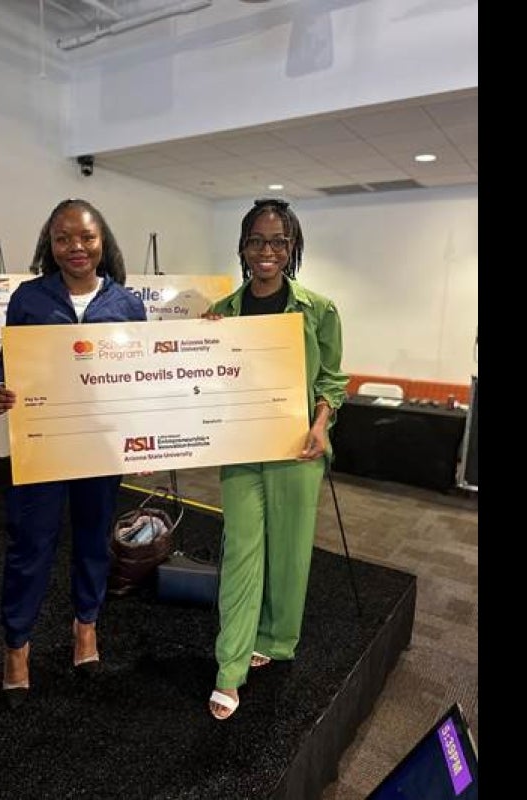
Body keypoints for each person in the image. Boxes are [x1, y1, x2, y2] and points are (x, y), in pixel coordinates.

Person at [0, 199, 147, 708]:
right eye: (63, 238)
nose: (75, 247)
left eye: (86, 238)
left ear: (103, 243)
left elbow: (140, 378)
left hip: (100, 446)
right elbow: (7, 365)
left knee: (94, 541)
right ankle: (16, 647)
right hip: (41, 445)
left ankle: (86, 628)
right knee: (30, 545)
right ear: (49, 245)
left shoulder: (126, 304)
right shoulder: (28, 299)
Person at [203, 198, 347, 720]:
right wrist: (200, 343)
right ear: (242, 247)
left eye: (279, 242)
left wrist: (319, 424)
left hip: (296, 451)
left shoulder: (319, 310)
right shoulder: (223, 312)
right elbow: (204, 382)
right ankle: (230, 668)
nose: (267, 251)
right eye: (257, 241)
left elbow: (331, 379)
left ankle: (278, 639)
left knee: (288, 553)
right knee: (242, 549)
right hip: (242, 449)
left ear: (293, 248)